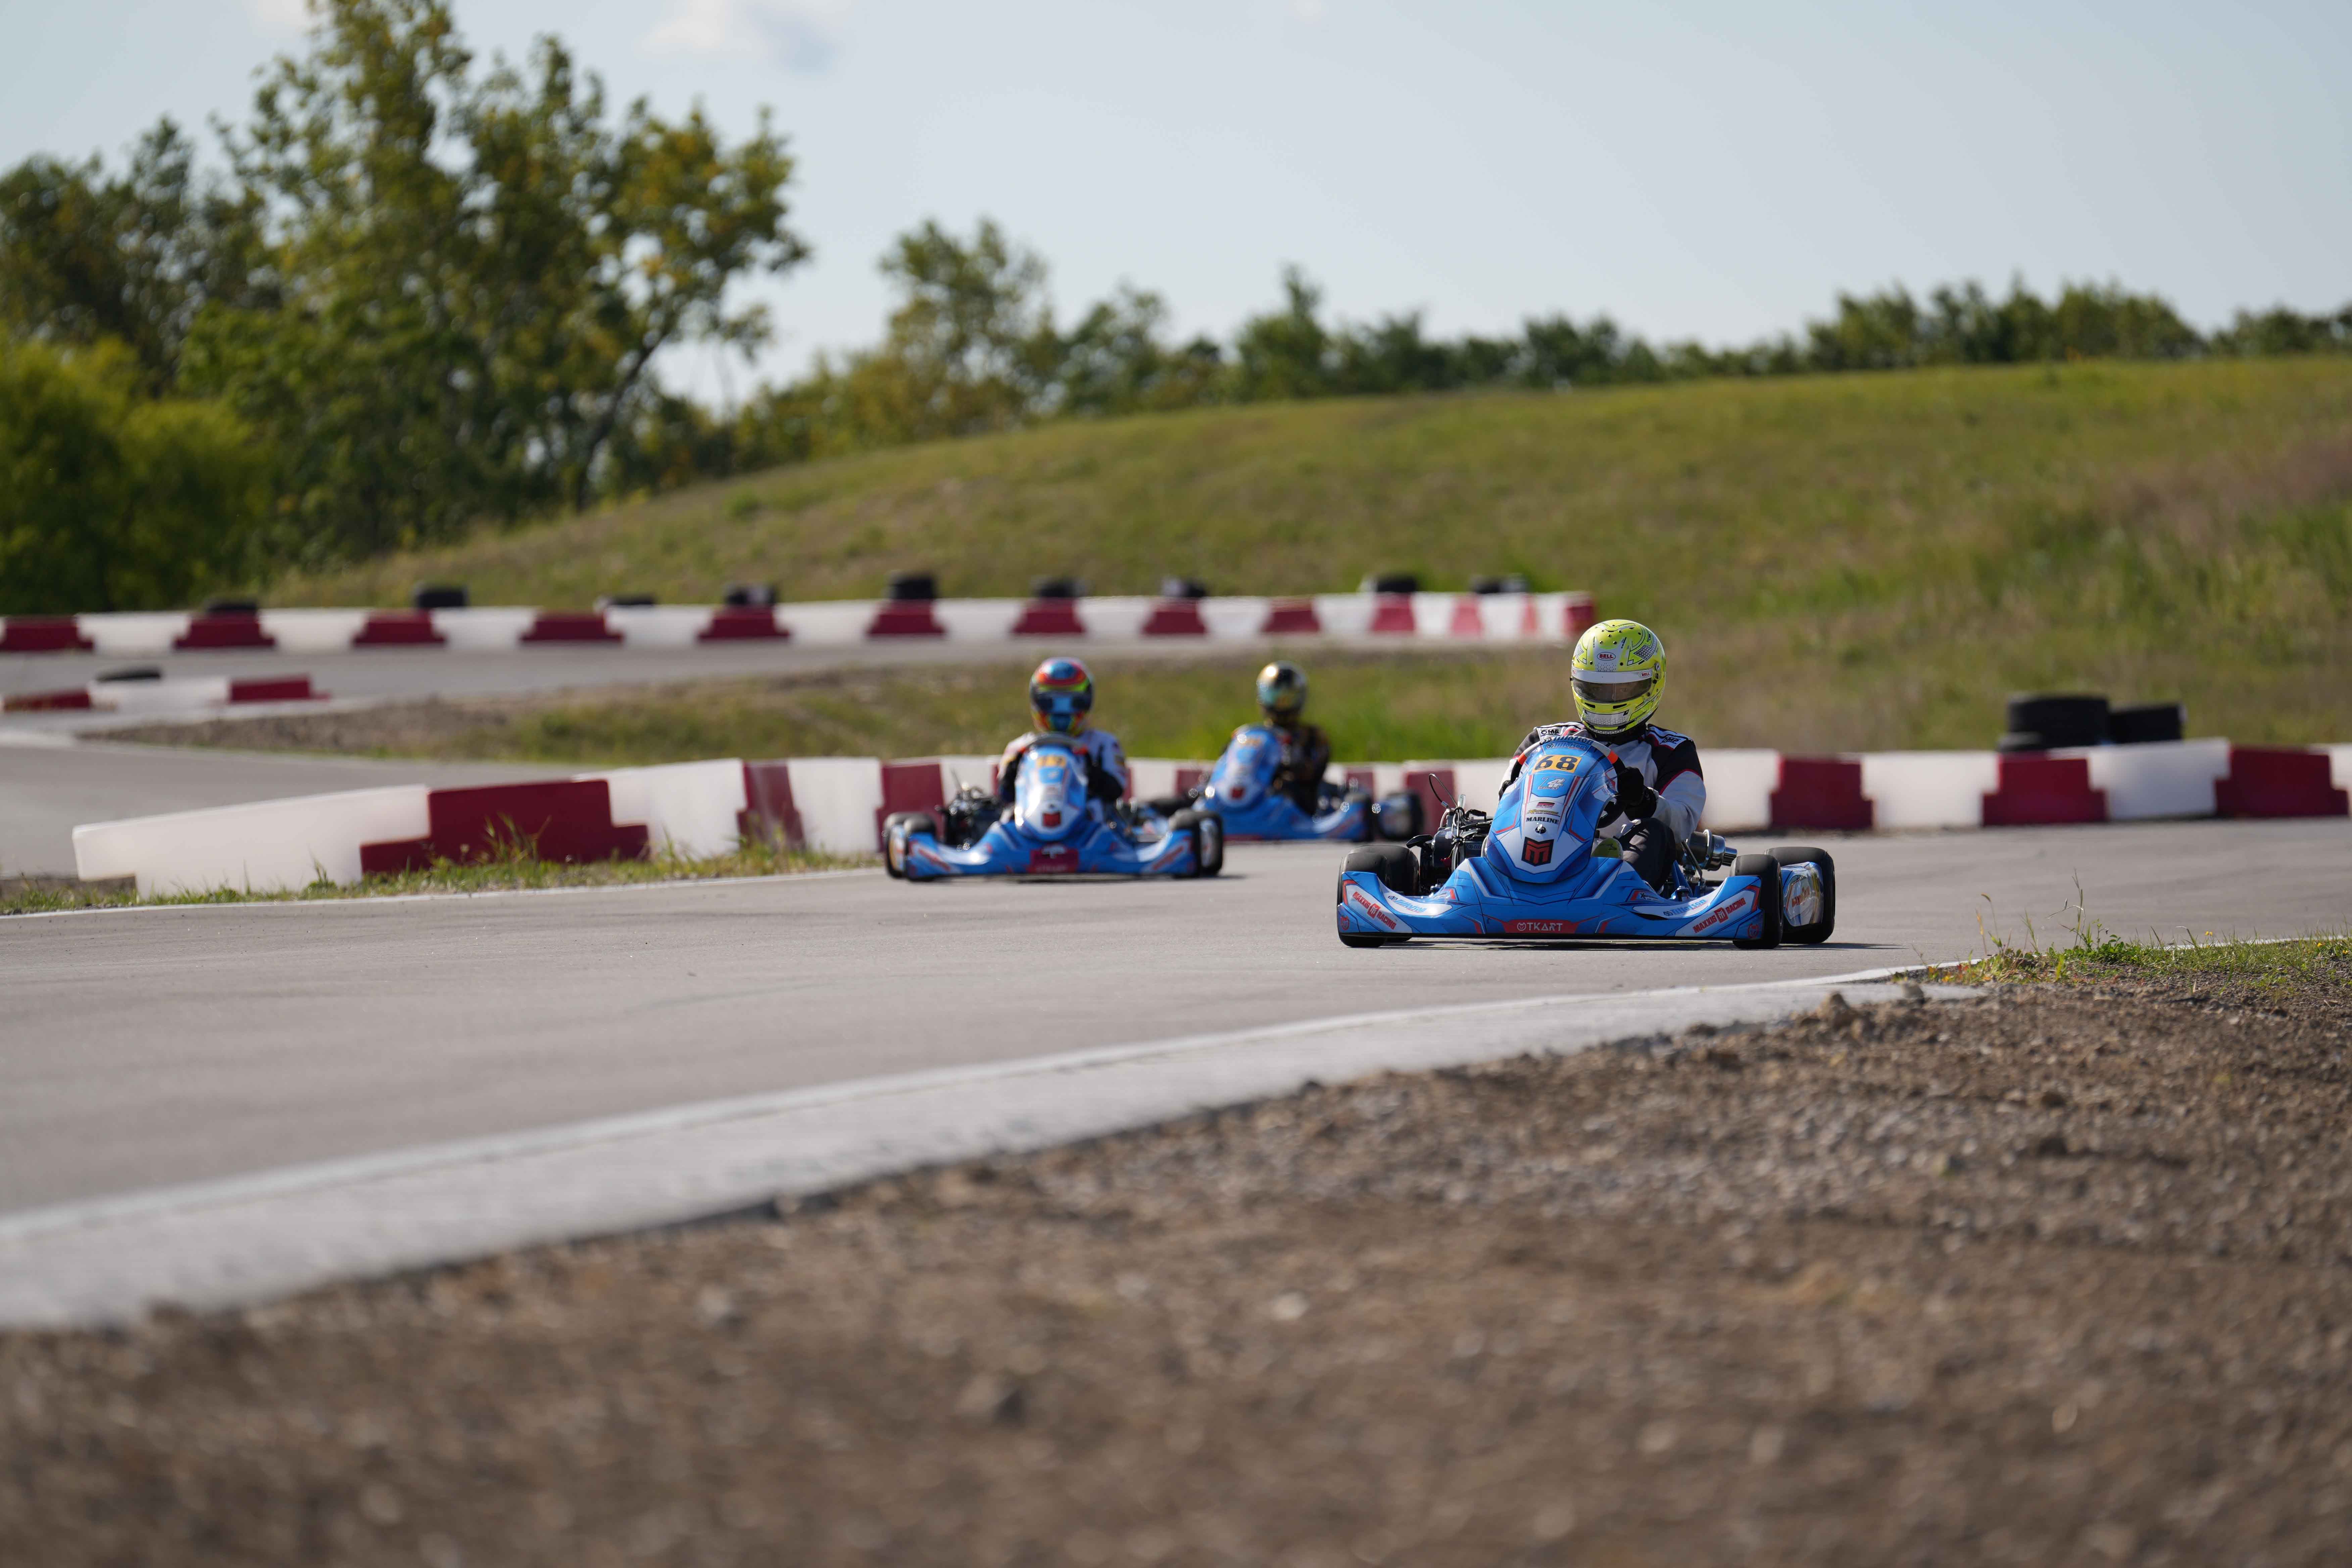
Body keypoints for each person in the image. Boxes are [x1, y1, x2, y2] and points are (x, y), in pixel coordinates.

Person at [1501, 619, 1705, 893]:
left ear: (1652, 683)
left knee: (1656, 833)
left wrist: (1645, 802)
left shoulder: (1672, 751)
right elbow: (1507, 802)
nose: (1609, 699)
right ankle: (1495, 882)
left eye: (1622, 689)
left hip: (1617, 864)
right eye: (1596, 689)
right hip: (1538, 849)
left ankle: (1615, 892)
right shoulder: (1543, 741)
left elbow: (1682, 823)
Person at [997, 656, 1129, 808]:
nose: (1061, 712)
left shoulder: (1102, 745)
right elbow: (1005, 795)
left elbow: (1115, 791)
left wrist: (1090, 771)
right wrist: (1016, 768)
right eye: (1051, 703)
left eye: (1071, 703)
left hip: (1088, 825)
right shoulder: (1021, 748)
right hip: (1032, 822)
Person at [1253, 660, 1333, 816]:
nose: (1281, 704)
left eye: (1287, 698)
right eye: (1276, 696)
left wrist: (1289, 764)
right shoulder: (1253, 736)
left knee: (1287, 787)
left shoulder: (1312, 736)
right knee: (1200, 792)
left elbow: (1313, 772)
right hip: (1256, 793)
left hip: (1298, 800)